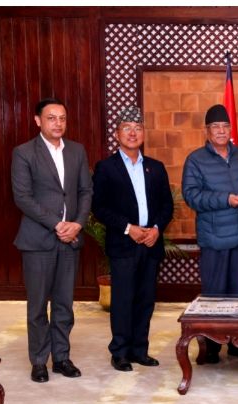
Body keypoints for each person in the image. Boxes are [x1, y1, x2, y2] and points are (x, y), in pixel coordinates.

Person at [11, 97, 92, 383]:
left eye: (62, 118)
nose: (58, 123)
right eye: (51, 118)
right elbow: (22, 197)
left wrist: (77, 224)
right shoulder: (24, 153)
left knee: (64, 304)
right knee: (37, 306)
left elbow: (85, 191)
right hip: (38, 241)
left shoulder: (77, 151)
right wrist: (58, 224)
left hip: (70, 239)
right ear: (38, 121)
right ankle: (38, 361)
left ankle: (61, 358)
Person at [91, 107, 173, 372]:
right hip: (124, 244)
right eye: (127, 128)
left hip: (150, 243)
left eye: (137, 128)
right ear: (117, 134)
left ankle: (140, 350)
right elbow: (99, 207)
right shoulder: (106, 168)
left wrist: (156, 228)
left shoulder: (155, 168)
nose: (133, 133)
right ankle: (120, 352)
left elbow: (167, 205)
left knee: (145, 300)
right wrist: (128, 228)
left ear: (143, 134)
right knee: (123, 300)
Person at [182, 104, 238, 362]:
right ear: (207, 130)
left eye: (225, 126)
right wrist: (225, 199)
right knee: (214, 295)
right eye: (216, 127)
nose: (221, 131)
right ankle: (211, 348)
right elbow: (192, 196)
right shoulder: (195, 159)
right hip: (214, 238)